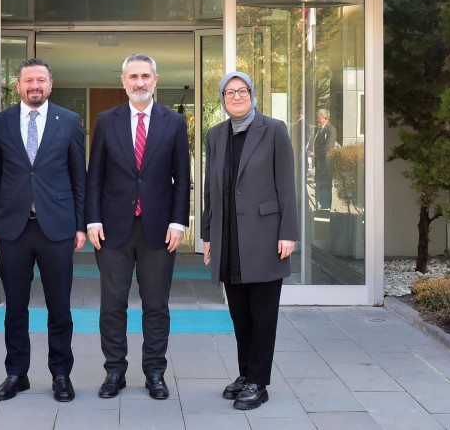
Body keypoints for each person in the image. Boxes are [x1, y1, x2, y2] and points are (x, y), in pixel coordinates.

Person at [86, 53, 190, 400]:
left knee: (156, 304)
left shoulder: (174, 122)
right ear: (123, 81)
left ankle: (155, 372)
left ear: (155, 80)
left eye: (146, 76)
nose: (140, 82)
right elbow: (95, 176)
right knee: (112, 305)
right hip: (113, 229)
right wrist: (93, 220)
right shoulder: (107, 120)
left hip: (159, 229)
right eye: (133, 76)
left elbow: (182, 179)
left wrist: (178, 222)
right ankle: (114, 371)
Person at [0, 58, 86, 402]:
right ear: (19, 86)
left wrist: (80, 225)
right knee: (15, 306)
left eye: (41, 80)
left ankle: (61, 374)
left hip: (57, 227)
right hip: (12, 228)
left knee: (60, 307)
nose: (35, 86)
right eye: (28, 80)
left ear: (50, 84)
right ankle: (17, 373)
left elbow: (79, 176)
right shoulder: (0, 122)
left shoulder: (69, 121)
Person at [202, 71, 298, 411]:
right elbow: (211, 190)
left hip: (265, 236)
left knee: (262, 315)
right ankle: (245, 375)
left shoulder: (274, 130)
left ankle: (259, 382)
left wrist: (288, 232)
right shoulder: (215, 135)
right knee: (240, 316)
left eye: (242, 91)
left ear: (252, 94)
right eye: (229, 92)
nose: (236, 97)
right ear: (223, 99)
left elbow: (286, 184)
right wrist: (208, 236)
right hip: (228, 239)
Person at [308, 108, 336, 210]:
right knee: (319, 186)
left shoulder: (331, 130)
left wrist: (315, 154)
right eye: (317, 118)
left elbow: (328, 147)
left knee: (326, 187)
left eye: (319, 118)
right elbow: (314, 142)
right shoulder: (318, 129)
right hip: (319, 164)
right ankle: (320, 207)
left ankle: (326, 208)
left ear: (326, 118)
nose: (317, 120)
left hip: (326, 165)